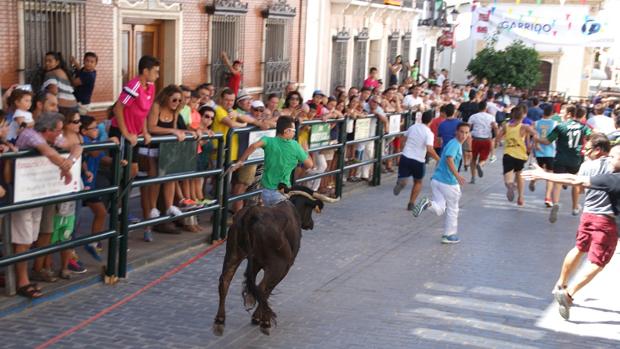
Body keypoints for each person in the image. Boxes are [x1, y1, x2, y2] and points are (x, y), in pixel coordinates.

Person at [522, 138, 618, 321]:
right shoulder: (613, 172)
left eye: (587, 148)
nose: (585, 152)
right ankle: (568, 294)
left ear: (598, 149)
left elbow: (577, 184)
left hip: (588, 214)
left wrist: (544, 175)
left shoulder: (588, 165)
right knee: (598, 262)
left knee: (580, 248)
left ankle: (561, 283)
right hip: (606, 220)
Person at [12, 112, 81, 298]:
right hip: (22, 194)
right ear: (47, 130)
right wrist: (65, 167)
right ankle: (22, 281)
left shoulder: (51, 137)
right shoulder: (30, 134)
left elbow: (76, 146)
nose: (60, 134)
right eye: (57, 130)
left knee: (30, 237)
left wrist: (70, 162)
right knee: (23, 239)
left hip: (37, 192)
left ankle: (22, 278)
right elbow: (47, 152)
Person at [228, 116, 313, 206]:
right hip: (282, 193)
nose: (294, 133)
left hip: (265, 193)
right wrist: (305, 151)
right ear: (286, 131)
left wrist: (241, 161)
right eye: (293, 130)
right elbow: (309, 164)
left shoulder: (267, 140)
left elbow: (253, 146)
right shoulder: (295, 145)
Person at [412, 122, 470, 244]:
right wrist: (457, 175)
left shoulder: (452, 143)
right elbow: (449, 159)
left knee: (439, 209)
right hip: (448, 182)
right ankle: (449, 235)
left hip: (436, 180)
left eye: (466, 132)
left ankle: (427, 203)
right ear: (456, 132)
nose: (463, 135)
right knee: (453, 209)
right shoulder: (455, 144)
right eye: (461, 132)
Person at [539, 106, 592, 222]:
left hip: (560, 158)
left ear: (571, 114)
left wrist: (537, 139)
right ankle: (574, 207)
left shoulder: (561, 126)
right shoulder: (584, 127)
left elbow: (547, 141)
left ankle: (556, 203)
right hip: (576, 159)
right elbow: (590, 137)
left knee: (558, 181)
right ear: (583, 116)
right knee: (575, 182)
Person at [109, 55, 159, 178]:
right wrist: (125, 134)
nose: (158, 75)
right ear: (146, 71)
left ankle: (122, 196)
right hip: (121, 132)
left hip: (135, 134)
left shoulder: (151, 86)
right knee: (122, 171)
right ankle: (116, 197)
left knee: (133, 170)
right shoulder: (133, 86)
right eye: (155, 72)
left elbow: (144, 112)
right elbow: (117, 108)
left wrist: (145, 132)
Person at [393, 110, 440, 210]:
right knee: (418, 182)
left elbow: (403, 139)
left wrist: (401, 149)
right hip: (418, 160)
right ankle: (411, 203)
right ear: (431, 120)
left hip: (406, 156)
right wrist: (438, 159)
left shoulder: (413, 127)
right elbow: (430, 149)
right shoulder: (429, 133)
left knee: (404, 177)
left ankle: (402, 182)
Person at [496, 107, 539, 206]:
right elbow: (535, 134)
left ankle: (510, 186)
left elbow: (498, 137)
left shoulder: (506, 126)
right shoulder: (524, 127)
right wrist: (533, 144)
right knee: (519, 175)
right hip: (520, 155)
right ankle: (520, 197)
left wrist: (498, 143)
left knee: (508, 176)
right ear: (523, 116)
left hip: (508, 154)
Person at [530, 104, 558, 207]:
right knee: (550, 175)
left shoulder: (536, 123)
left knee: (539, 170)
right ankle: (547, 197)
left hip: (539, 152)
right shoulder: (555, 123)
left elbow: (531, 131)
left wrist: (535, 141)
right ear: (552, 113)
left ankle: (533, 181)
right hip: (550, 151)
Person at [468, 100, 497, 183]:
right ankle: (480, 165)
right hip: (486, 140)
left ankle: (473, 177)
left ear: (478, 107)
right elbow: (495, 127)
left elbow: (469, 128)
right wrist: (495, 138)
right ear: (486, 108)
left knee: (473, 159)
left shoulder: (473, 116)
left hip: (475, 139)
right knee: (483, 158)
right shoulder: (491, 117)